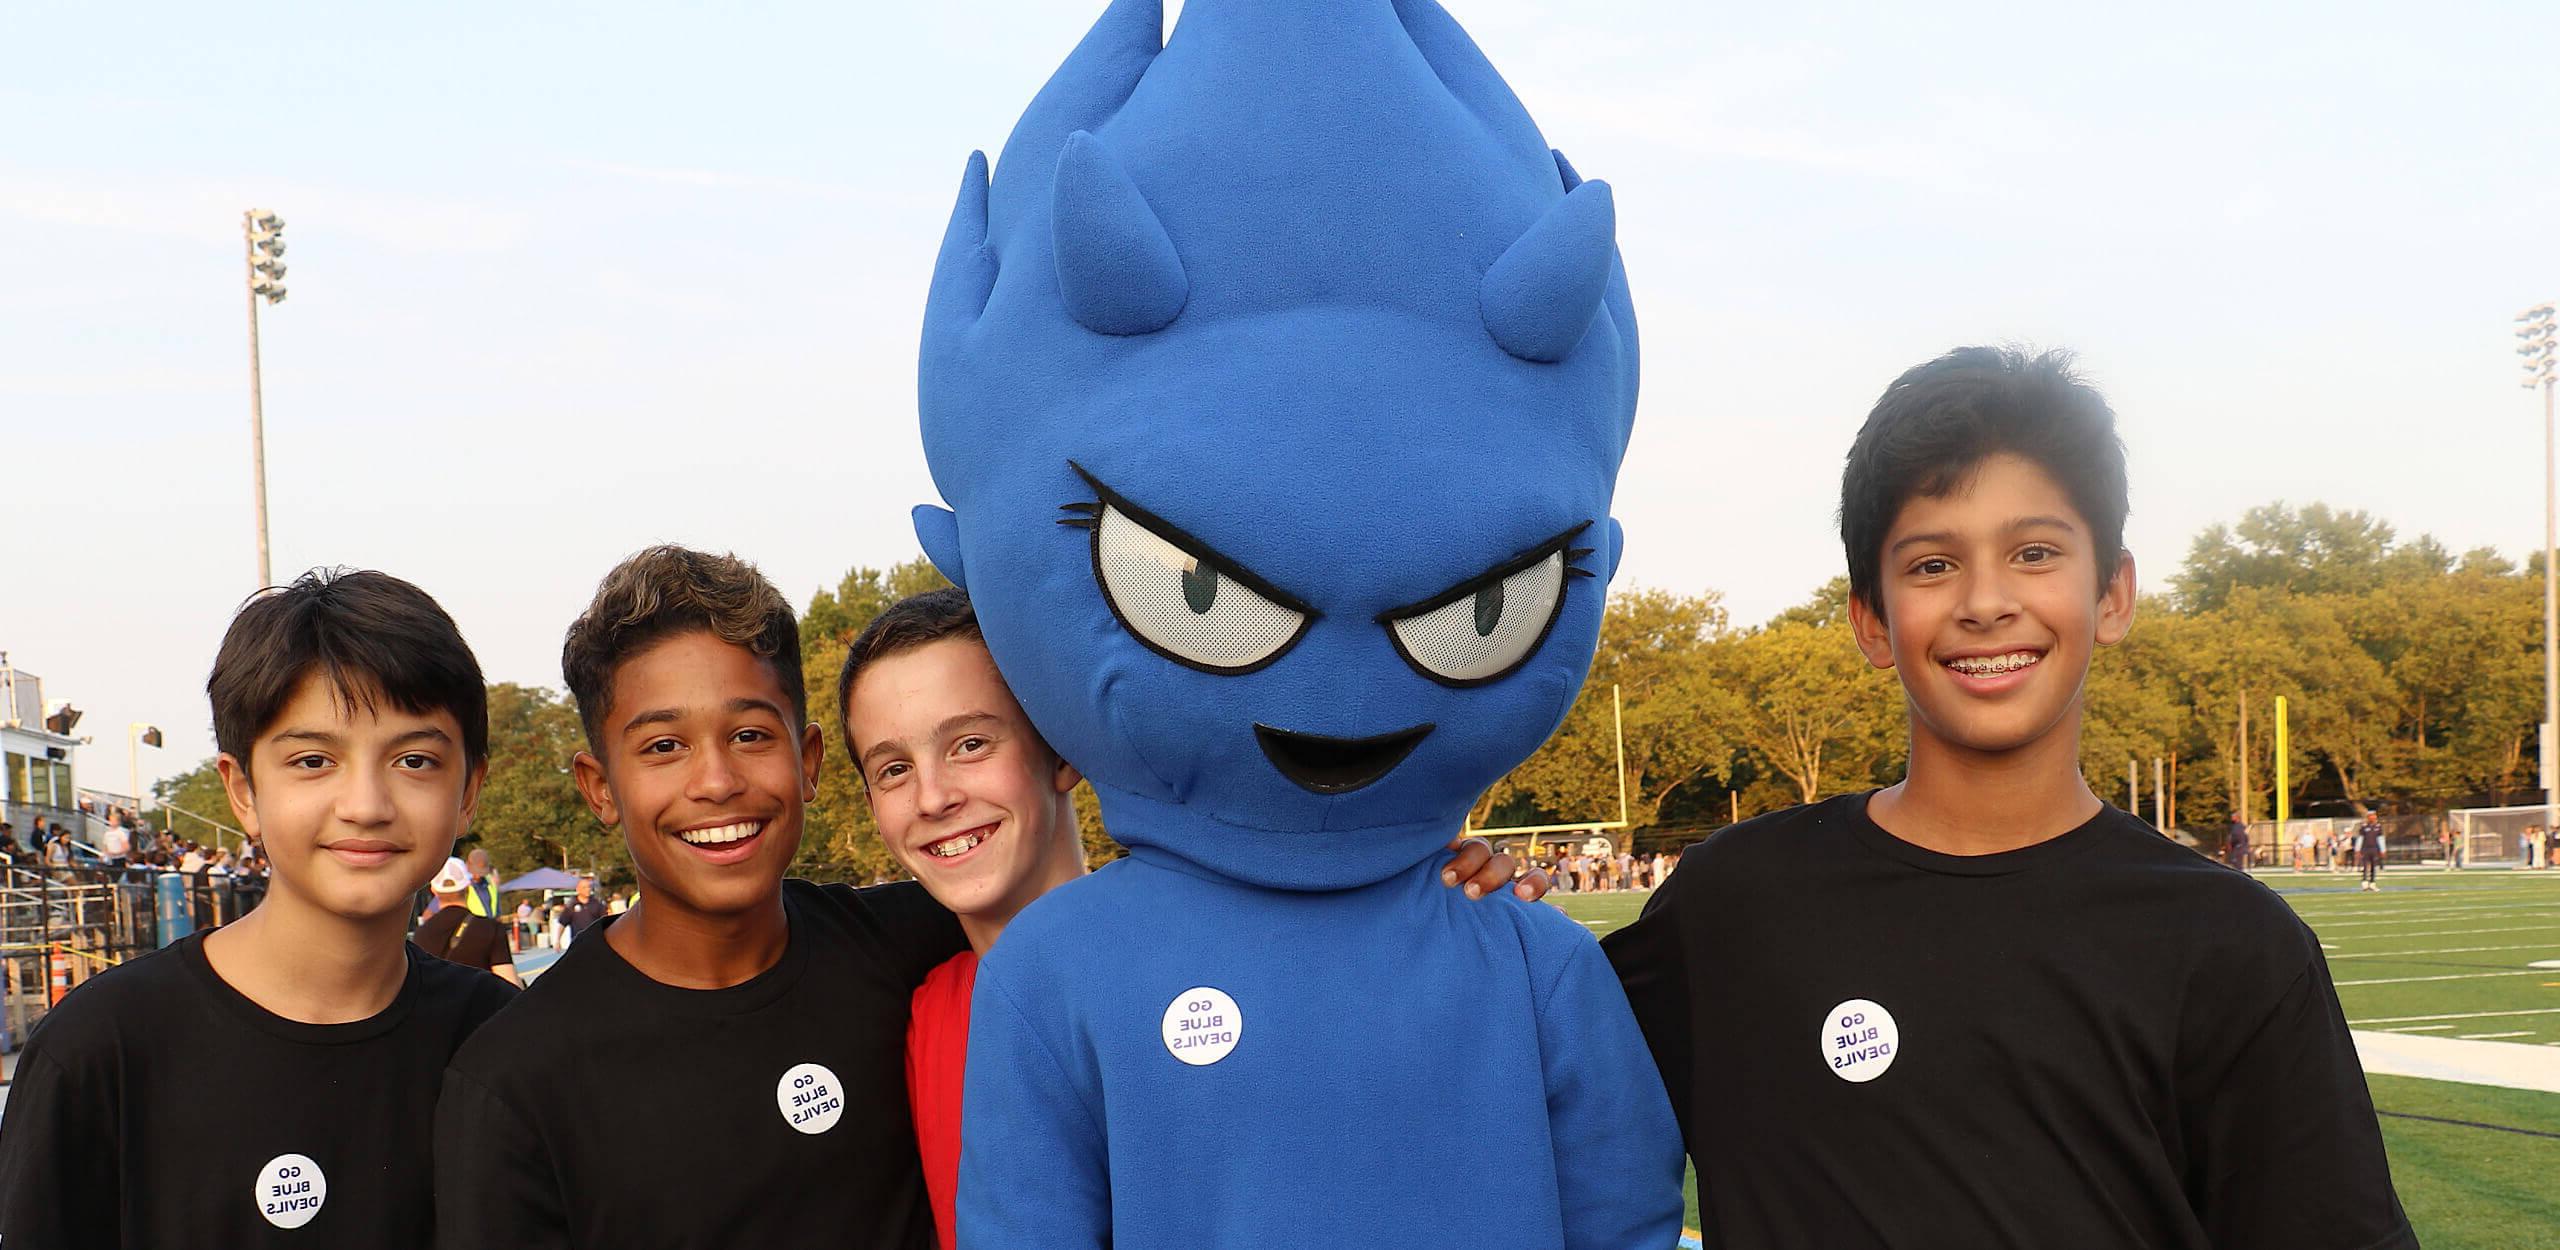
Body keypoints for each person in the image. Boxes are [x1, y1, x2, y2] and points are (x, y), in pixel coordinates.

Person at [1605, 346, 2412, 1247]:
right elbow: (1517, 1077)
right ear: (1871, 620)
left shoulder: (2234, 945)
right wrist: (1452, 894)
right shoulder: (1732, 906)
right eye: (1932, 565)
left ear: (2112, 594)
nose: (1986, 602)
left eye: (2034, 552)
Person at [838, 589, 1536, 1250]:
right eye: (893, 769)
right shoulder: (915, 1016)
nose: (932, 796)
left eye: (970, 744)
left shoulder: (1239, 954)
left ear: (1062, 749)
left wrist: (1429, 887)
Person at [0, 569, 515, 1247]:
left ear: (468, 789)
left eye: (415, 760)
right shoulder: (103, 1053)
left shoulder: (503, 1043)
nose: (365, 805)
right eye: (311, 761)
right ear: (242, 790)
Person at [414, 856, 522, 987]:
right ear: (468, 885)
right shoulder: (493, 929)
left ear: (434, 890)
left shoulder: (421, 934)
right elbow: (509, 982)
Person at [557, 875, 607, 941]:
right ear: (578, 889)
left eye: (589, 887)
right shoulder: (571, 905)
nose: (588, 889)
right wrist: (557, 940)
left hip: (594, 940)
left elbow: (605, 922)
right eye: (584, 887)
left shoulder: (597, 904)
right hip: (577, 942)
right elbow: (562, 924)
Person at [460, 846, 500, 920]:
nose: (477, 875)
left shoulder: (490, 884)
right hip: (472, 926)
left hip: (490, 925)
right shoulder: (463, 886)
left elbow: (496, 908)